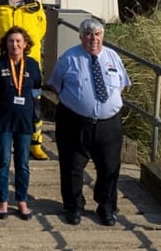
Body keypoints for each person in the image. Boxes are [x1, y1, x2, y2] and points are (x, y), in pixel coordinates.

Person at [46, 18, 130, 227]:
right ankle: (73, 206)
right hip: (75, 122)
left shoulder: (113, 57)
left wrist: (105, 107)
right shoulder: (69, 58)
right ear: (81, 36)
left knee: (109, 167)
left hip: (108, 124)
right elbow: (56, 85)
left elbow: (122, 85)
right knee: (72, 166)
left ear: (103, 35)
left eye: (97, 34)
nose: (93, 39)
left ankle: (106, 207)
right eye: (88, 34)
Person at [0, 0, 51, 160]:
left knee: (33, 101)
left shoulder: (35, 5)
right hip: (2, 61)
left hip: (29, 62)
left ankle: (35, 142)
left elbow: (41, 29)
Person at [0, 27, 45, 219]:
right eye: (11, 41)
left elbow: (37, 89)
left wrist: (37, 111)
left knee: (22, 163)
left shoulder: (32, 65)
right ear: (5, 44)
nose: (15, 45)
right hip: (3, 121)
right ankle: (2, 200)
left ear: (26, 44)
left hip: (24, 121)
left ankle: (22, 199)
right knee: (3, 160)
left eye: (18, 41)